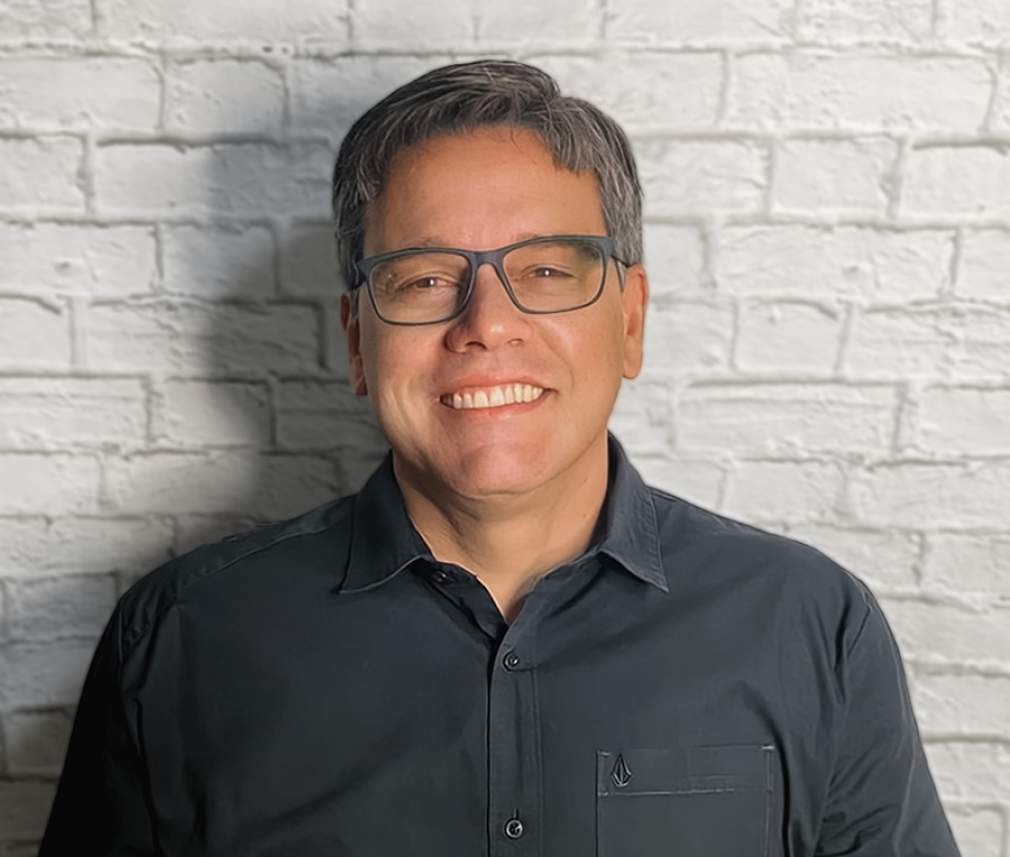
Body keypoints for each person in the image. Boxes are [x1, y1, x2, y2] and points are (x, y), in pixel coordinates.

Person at [39, 59, 961, 856]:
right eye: (425, 278)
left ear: (630, 321)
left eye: (547, 271)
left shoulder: (809, 625)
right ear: (357, 341)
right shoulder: (183, 637)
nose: (485, 325)